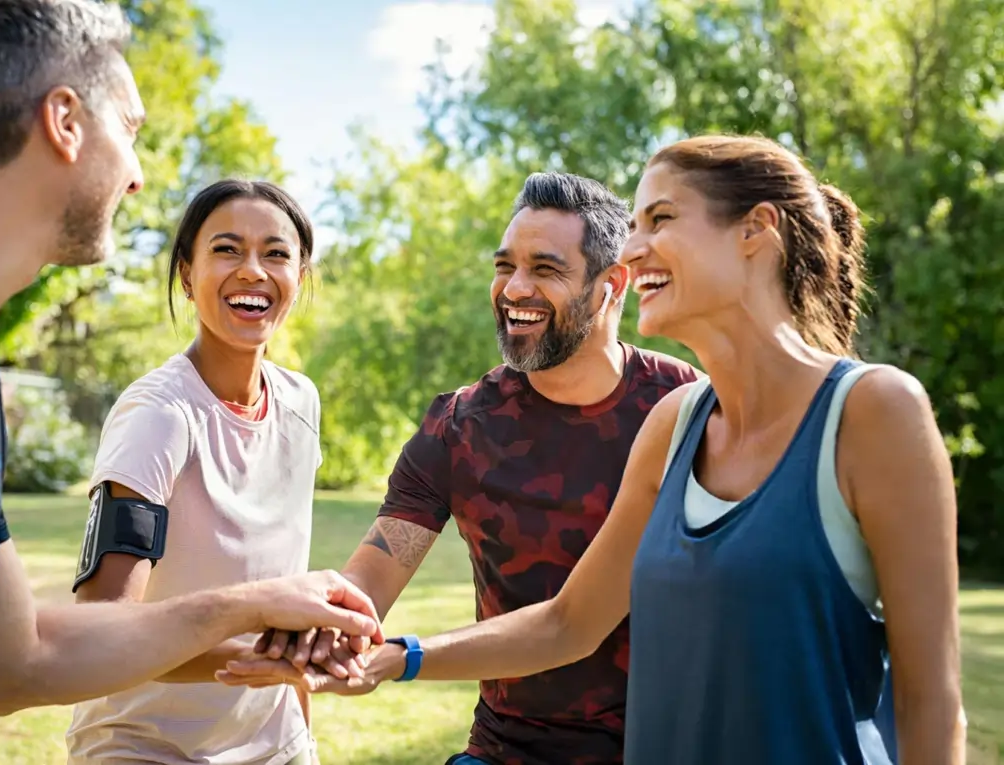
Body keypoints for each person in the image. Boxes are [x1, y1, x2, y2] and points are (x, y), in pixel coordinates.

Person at [223, 136, 966, 765]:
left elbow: (929, 696)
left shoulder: (847, 410)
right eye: (504, 264)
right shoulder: (647, 426)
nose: (514, 287)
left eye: (661, 219)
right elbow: (560, 621)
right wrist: (344, 642)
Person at [0, 3, 380, 764]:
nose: (139, 177)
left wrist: (258, 609)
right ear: (66, 121)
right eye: (132, 129)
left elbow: (20, 662)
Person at [225, 171, 699, 764]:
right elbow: (367, 587)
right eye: (505, 266)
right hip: (509, 751)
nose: (514, 289)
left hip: (670, 747)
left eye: (545, 270)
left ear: (611, 285)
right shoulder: (459, 427)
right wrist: (313, 637)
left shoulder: (690, 407)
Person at [63, 179, 336, 765]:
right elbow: (103, 630)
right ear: (187, 275)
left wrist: (299, 727)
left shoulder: (300, 402)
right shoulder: (157, 417)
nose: (253, 271)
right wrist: (267, 659)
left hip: (277, 745)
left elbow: (285, 579)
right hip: (143, 746)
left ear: (301, 276)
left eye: (277, 253)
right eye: (227, 249)